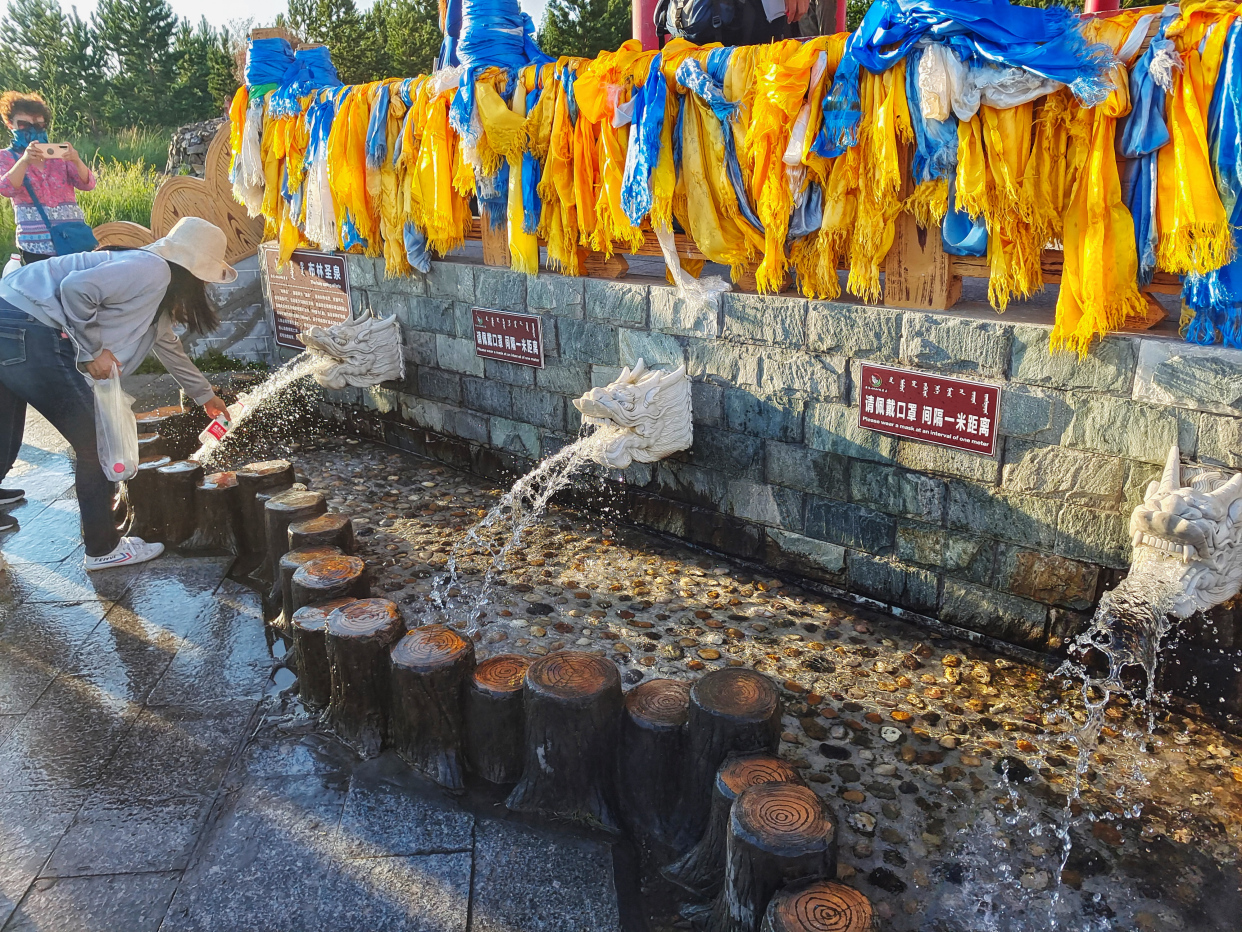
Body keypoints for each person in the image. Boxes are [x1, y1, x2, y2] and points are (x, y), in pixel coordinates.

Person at [0, 216, 235, 569]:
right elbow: (76, 290)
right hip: (30, 327)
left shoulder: (150, 284)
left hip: (8, 315)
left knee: (5, 428)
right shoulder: (152, 270)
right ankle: (103, 547)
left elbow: (168, 345)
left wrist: (205, 397)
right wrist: (94, 351)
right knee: (95, 443)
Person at [0, 91, 96, 264]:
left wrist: (76, 159)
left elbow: (87, 184)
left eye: (38, 126)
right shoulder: (6, 157)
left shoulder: (59, 156)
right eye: (23, 124)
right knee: (44, 290)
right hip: (35, 244)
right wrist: (24, 161)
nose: (31, 130)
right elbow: (6, 188)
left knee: (78, 287)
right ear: (9, 123)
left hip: (72, 237)